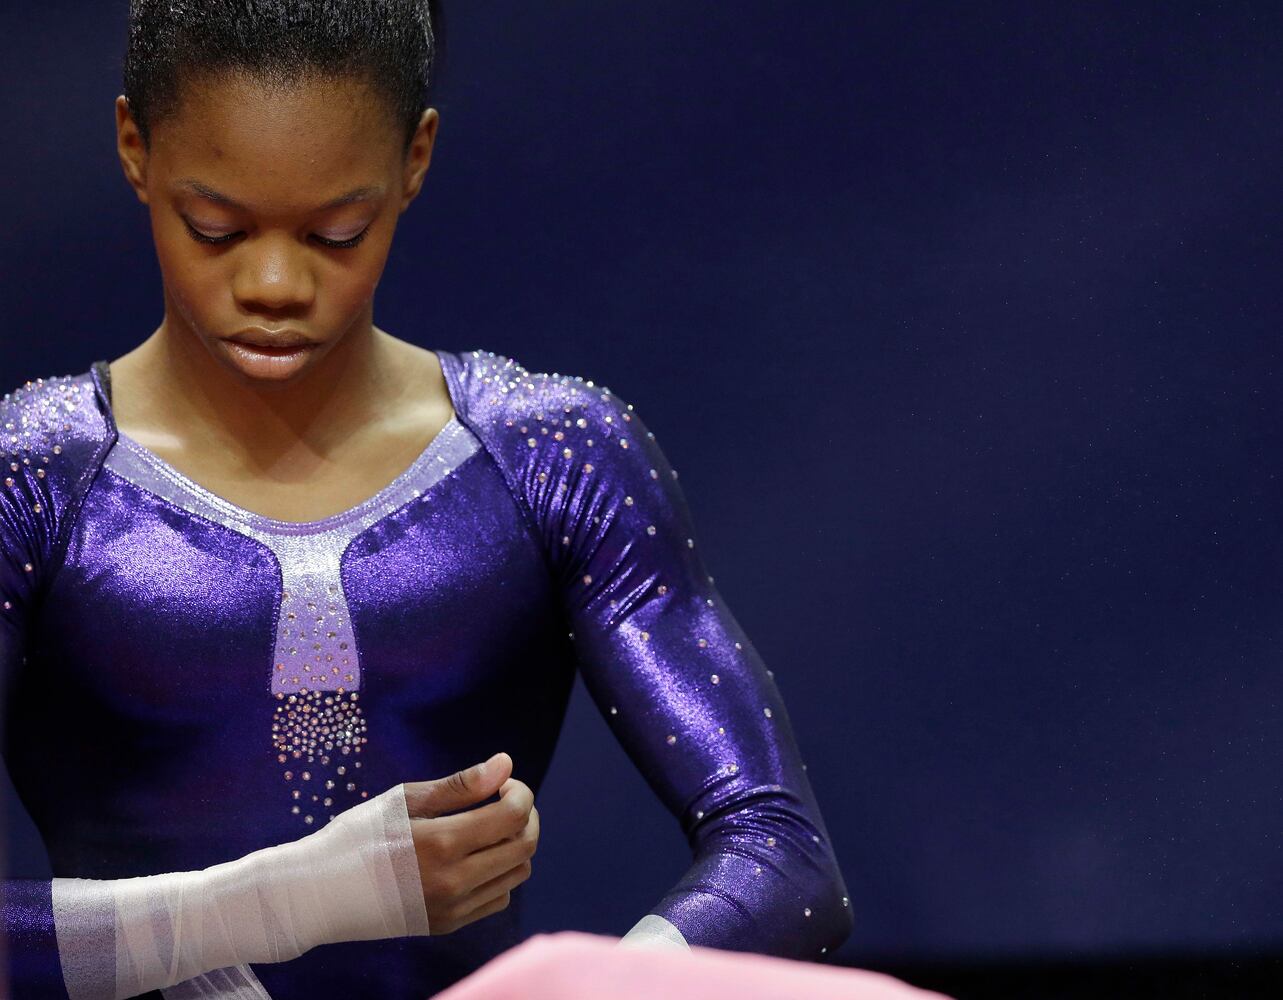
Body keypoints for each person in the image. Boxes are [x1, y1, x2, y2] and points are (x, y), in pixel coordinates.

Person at [0, 2, 852, 997]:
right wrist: (286, 902)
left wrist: (577, 993)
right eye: (215, 229)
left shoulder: (549, 458)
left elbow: (783, 857)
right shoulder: (33, 478)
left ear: (415, 159)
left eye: (336, 232)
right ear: (133, 147)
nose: (273, 282)